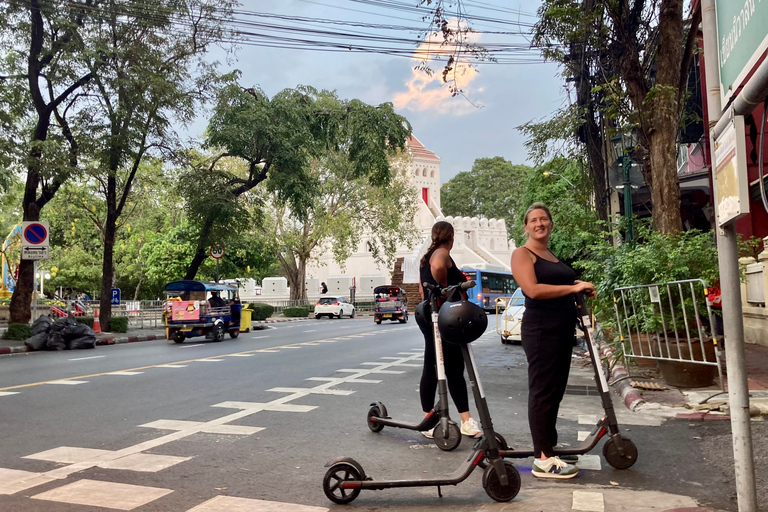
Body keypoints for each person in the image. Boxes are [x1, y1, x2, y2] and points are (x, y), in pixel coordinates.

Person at [510, 202, 595, 480]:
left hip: (561, 329)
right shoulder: (522, 254)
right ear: (526, 227)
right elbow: (533, 289)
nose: (539, 223)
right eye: (533, 220)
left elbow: (559, 284)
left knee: (555, 391)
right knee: (543, 391)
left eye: (544, 219)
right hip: (541, 330)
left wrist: (579, 287)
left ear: (551, 224)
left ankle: (550, 447)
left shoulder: (549, 254)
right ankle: (543, 458)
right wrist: (572, 287)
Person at [418, 220, 481, 439]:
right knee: (453, 367)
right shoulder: (442, 253)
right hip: (443, 317)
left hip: (431, 314)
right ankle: (465, 420)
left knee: (433, 366)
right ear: (451, 236)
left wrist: (435, 297)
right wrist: (445, 290)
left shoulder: (425, 257)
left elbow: (421, 289)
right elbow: (438, 268)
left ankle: (429, 418)